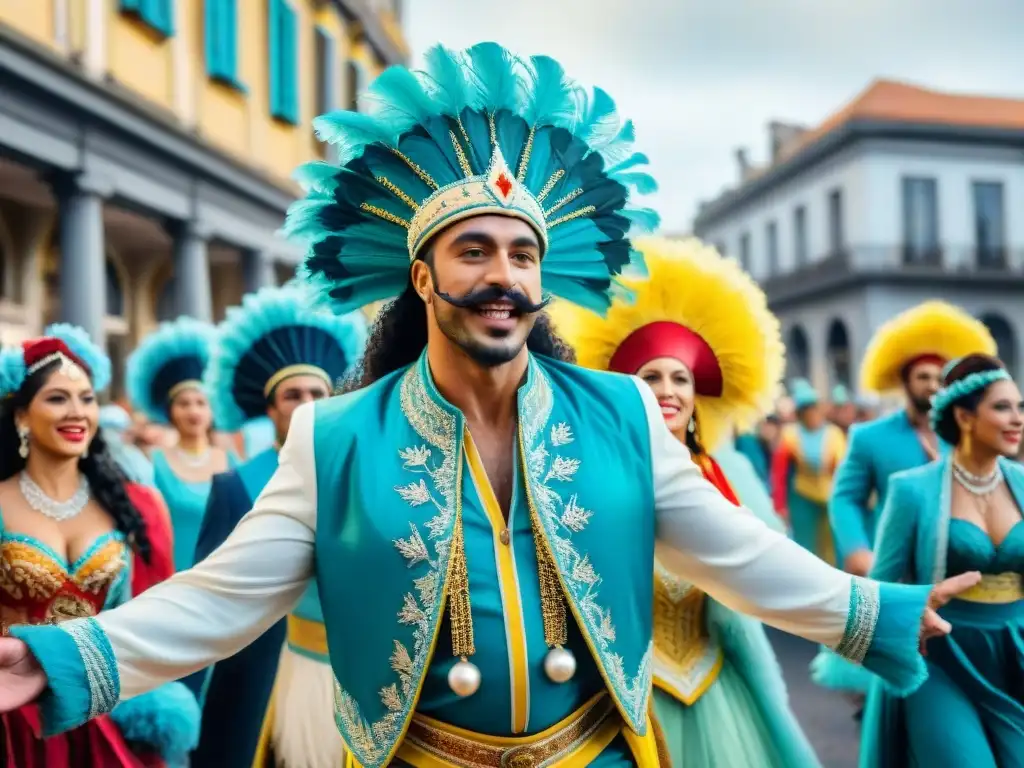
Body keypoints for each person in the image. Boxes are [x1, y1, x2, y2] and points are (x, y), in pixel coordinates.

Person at [0, 43, 978, 768]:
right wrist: (65, 655)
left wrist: (872, 610)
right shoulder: (337, 436)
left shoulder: (621, 416)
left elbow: (734, 552)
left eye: (521, 255)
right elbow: (224, 595)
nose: (503, 276)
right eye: (474, 251)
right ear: (422, 276)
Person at [553, 237, 819, 766]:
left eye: (681, 378)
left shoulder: (731, 474)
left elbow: (772, 574)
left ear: (697, 397)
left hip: (716, 690)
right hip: (618, 700)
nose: (668, 389)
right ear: (623, 389)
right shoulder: (585, 477)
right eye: (650, 376)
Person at [0, 325, 199, 767]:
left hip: (106, 711)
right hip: (14, 722)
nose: (77, 412)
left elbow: (155, 612)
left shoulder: (136, 506)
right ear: (20, 415)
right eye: (57, 398)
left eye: (87, 398)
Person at [187, 285, 367, 768]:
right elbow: (203, 598)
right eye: (292, 394)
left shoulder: (362, 472)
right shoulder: (235, 485)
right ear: (270, 409)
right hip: (264, 678)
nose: (306, 403)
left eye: (317, 392)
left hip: (363, 683)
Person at [849, 354, 1024, 767]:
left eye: (1020, 407)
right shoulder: (912, 490)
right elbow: (879, 589)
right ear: (964, 417)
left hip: (1014, 653)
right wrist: (907, 617)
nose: (1017, 418)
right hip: (939, 657)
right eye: (1002, 407)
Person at [830, 301, 997, 577]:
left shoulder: (967, 435)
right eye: (923, 376)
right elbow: (845, 499)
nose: (932, 384)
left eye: (939, 378)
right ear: (905, 381)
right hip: (890, 565)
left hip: (957, 563)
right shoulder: (869, 436)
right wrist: (857, 550)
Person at [126, 317, 236, 571]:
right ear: (170, 411)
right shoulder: (153, 462)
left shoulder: (229, 460)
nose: (193, 411)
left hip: (222, 578)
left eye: (201, 402)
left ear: (212, 410)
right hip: (170, 577)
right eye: (184, 403)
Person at [771, 379, 846, 564]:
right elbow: (779, 473)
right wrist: (780, 505)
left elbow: (843, 471)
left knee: (833, 547)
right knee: (805, 546)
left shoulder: (833, 434)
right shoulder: (790, 434)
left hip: (830, 497)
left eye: (814, 409)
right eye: (806, 410)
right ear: (800, 414)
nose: (811, 414)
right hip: (802, 497)